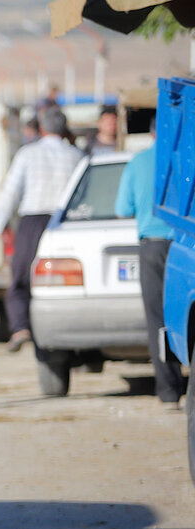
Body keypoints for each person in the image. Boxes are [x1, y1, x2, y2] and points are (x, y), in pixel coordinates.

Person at [0, 107, 83, 352]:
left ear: (42, 129)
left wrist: (2, 224)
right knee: (67, 279)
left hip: (32, 222)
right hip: (65, 223)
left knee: (21, 278)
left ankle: (21, 327)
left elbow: (11, 191)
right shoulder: (76, 155)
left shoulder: (27, 153)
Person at [116, 118, 184, 408]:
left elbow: (122, 209)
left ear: (152, 133)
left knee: (158, 320)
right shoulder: (184, 161)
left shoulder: (137, 162)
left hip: (152, 248)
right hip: (184, 246)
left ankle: (169, 392)